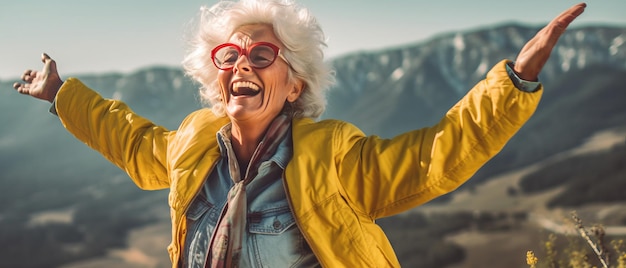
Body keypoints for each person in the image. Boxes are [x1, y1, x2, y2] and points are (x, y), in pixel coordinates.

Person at [12, 0, 586, 267]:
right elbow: (133, 141)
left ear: (294, 86)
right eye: (230, 55)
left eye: (263, 54)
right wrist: (64, 96)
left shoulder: (331, 153)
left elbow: (435, 156)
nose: (242, 64)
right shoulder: (193, 140)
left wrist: (512, 83)